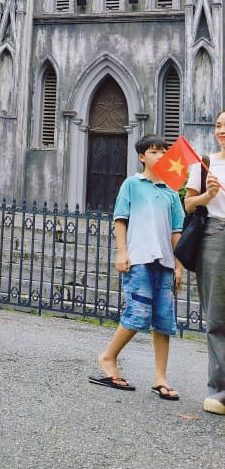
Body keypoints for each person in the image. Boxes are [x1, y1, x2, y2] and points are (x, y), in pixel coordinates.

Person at [91, 134, 184, 398]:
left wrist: (179, 266)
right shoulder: (132, 184)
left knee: (164, 320)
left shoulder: (171, 192)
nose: (160, 156)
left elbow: (176, 233)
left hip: (165, 262)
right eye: (154, 152)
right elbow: (120, 219)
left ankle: (160, 377)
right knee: (138, 312)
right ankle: (108, 356)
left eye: (163, 152)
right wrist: (122, 252)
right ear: (142, 157)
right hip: (139, 259)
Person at [184, 110, 225, 416]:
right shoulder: (204, 164)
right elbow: (188, 204)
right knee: (217, 315)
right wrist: (207, 196)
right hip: (215, 235)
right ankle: (219, 390)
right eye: (219, 125)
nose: (221, 130)